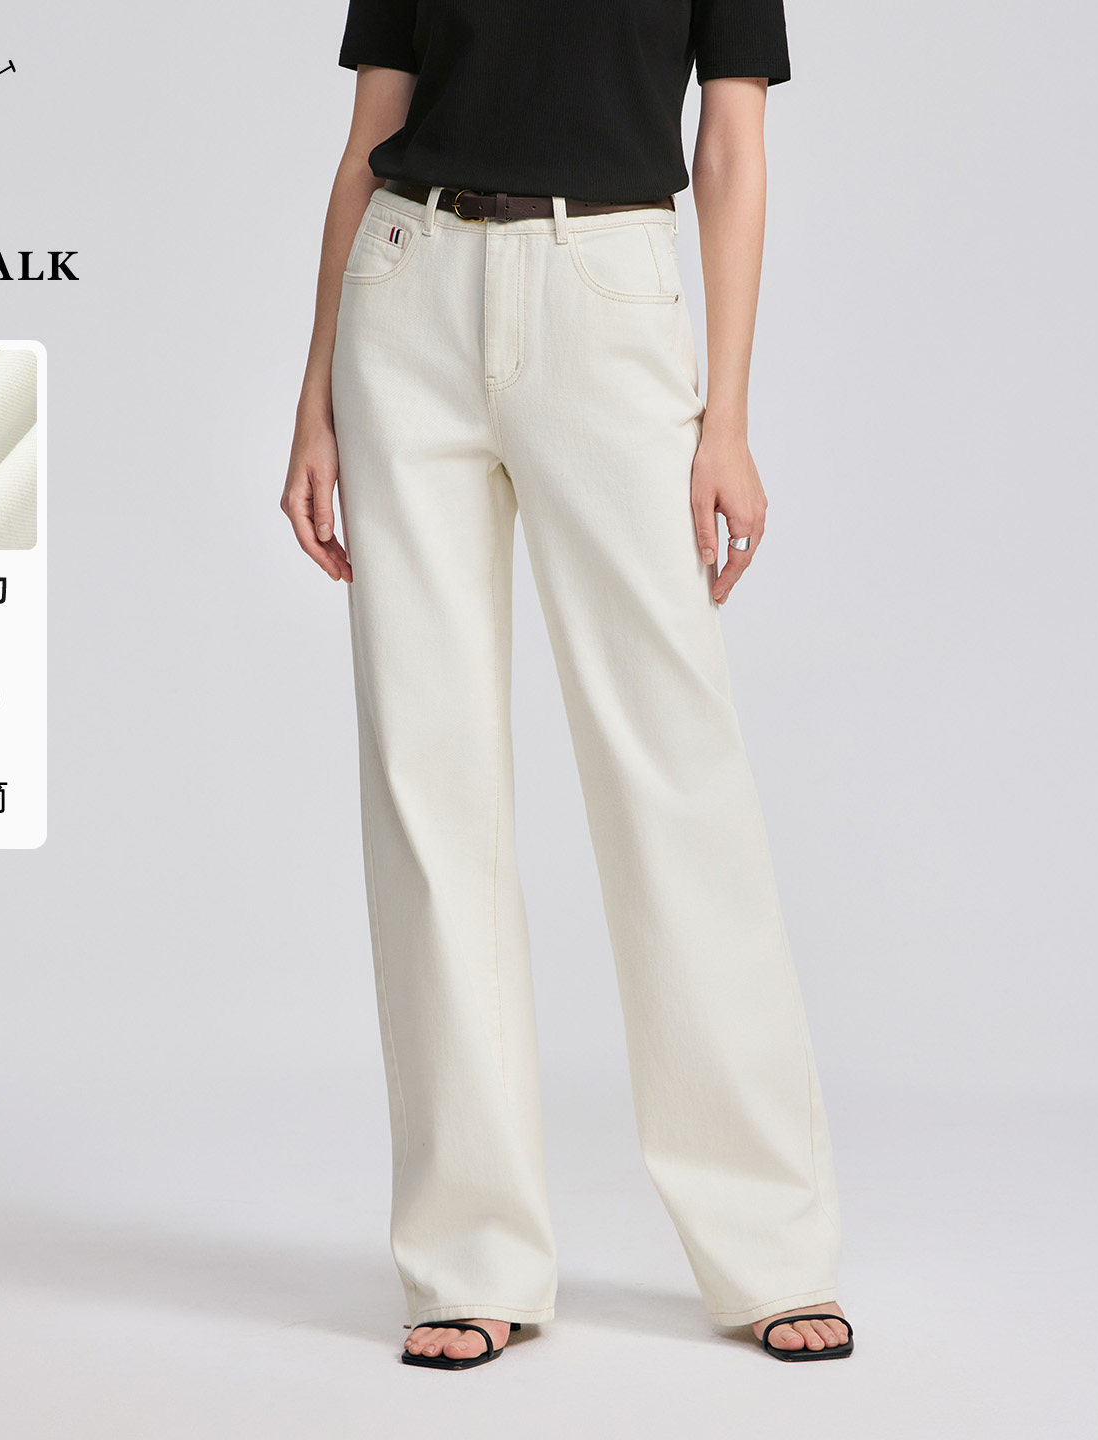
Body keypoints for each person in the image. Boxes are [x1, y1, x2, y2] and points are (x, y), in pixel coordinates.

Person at [281, 0, 855, 1369]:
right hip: (406, 294)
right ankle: (468, 1258)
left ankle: (769, 1248)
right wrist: (315, 399)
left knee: (672, 772)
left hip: (606, 291)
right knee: (428, 785)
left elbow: (730, 146)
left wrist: (727, 418)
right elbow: (369, 139)